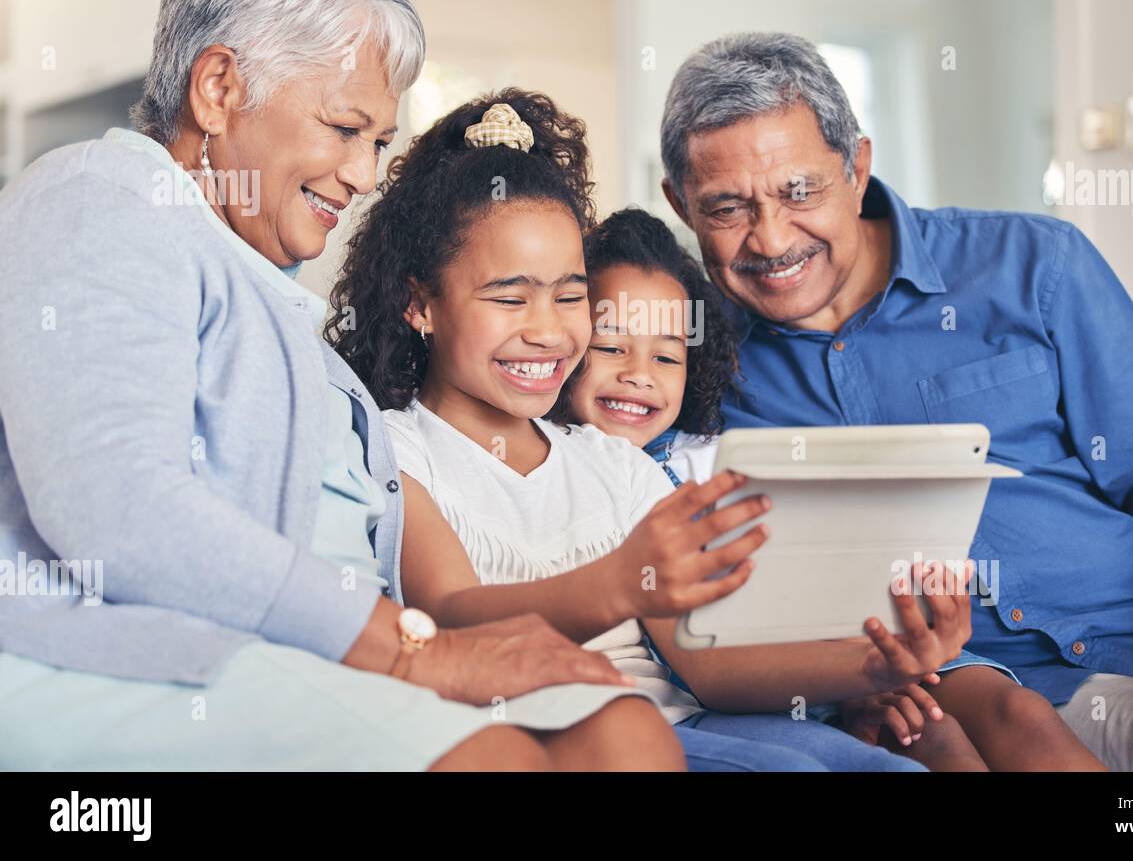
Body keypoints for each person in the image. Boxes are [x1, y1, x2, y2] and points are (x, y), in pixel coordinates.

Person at [0, 0, 678, 773]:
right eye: (345, 129)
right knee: (498, 763)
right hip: (143, 656)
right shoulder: (99, 200)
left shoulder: (268, 291)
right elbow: (118, 513)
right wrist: (415, 652)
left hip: (316, 655)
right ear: (219, 88)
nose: (363, 175)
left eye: (381, 139)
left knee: (624, 733)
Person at [656, 31, 1133, 771]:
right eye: (727, 209)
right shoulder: (686, 363)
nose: (771, 239)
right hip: (1038, 695)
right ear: (681, 205)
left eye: (798, 191)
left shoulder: (1034, 265)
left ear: (856, 167)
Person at [328, 90, 967, 771]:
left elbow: (710, 665)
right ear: (419, 303)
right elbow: (453, 615)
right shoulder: (399, 450)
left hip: (687, 720)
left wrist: (872, 661)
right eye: (510, 296)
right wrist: (618, 584)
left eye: (571, 295)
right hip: (547, 735)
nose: (547, 329)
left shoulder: (615, 465)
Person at [554, 206, 1101, 770]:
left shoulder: (716, 460)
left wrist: (860, 671)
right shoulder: (569, 467)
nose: (639, 373)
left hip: (844, 652)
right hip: (765, 690)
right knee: (932, 741)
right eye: (611, 347)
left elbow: (808, 582)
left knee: (1014, 714)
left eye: (667, 356)